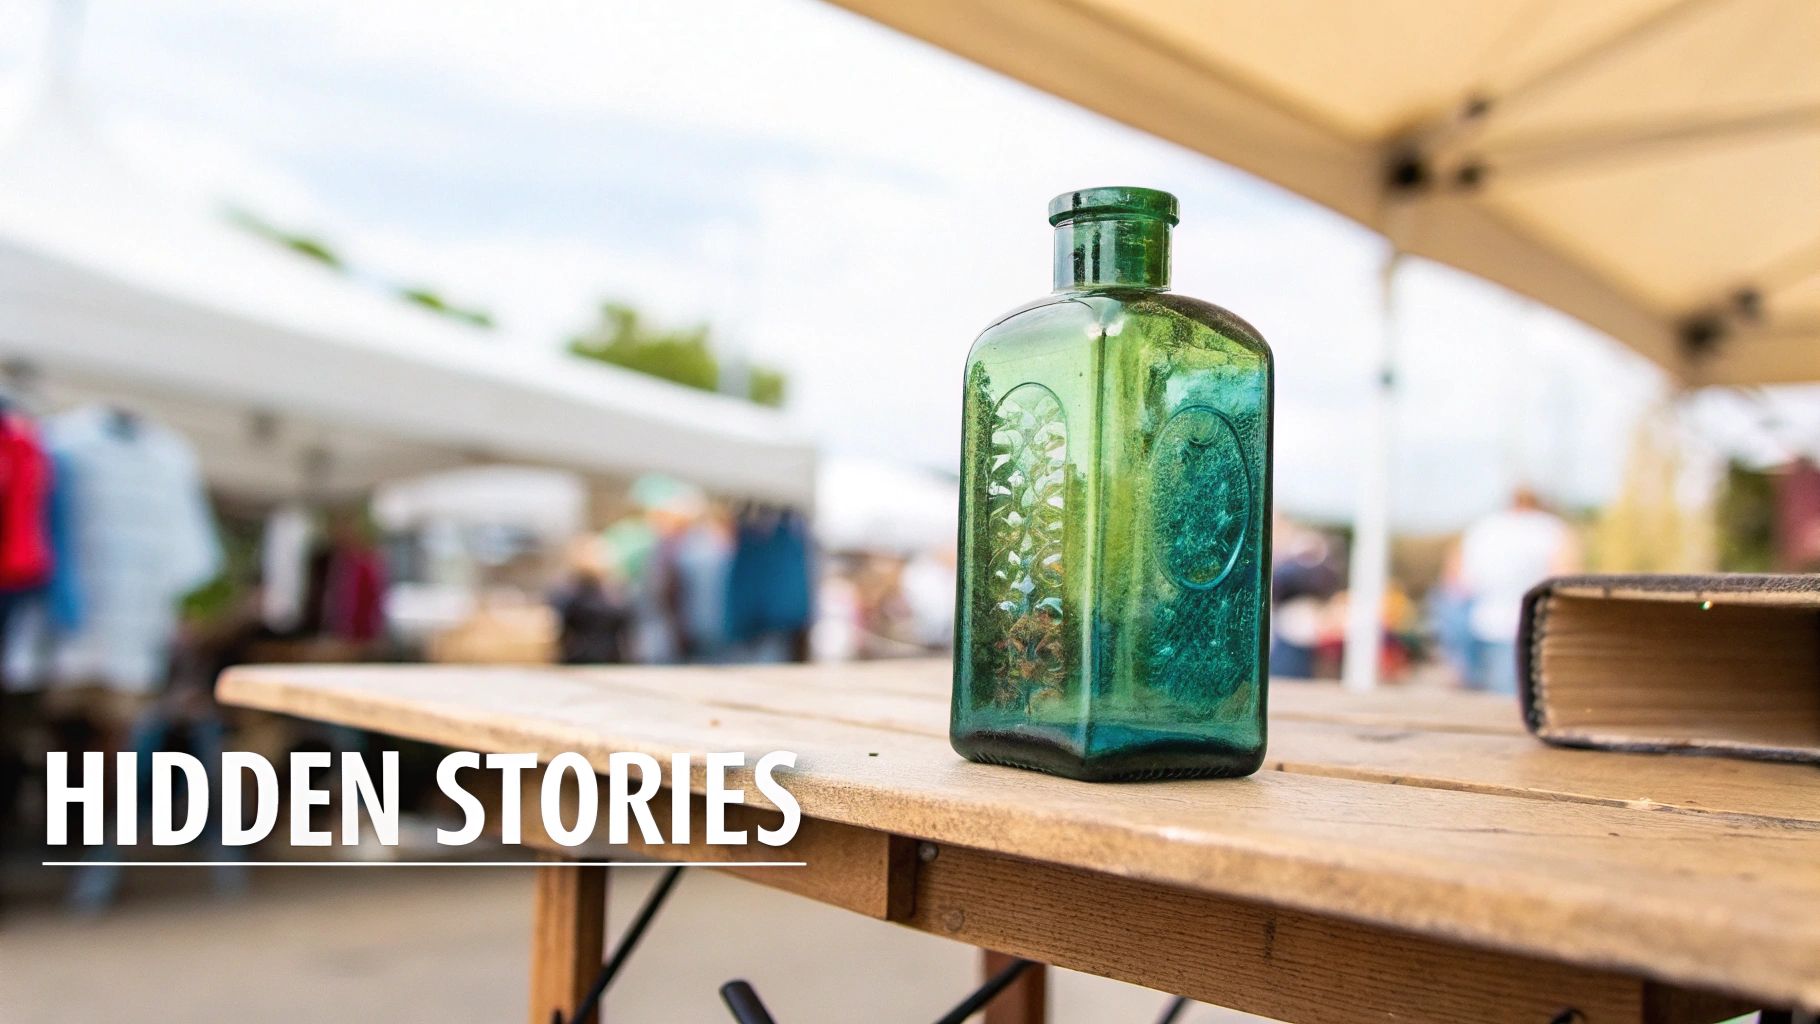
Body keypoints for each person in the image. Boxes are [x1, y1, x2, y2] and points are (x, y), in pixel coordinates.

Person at [1453, 487, 1580, 694]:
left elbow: (1459, 581)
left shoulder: (1484, 527)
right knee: (1525, 693)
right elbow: (1565, 576)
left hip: (1487, 622)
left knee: (1495, 691)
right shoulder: (1552, 529)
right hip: (1536, 622)